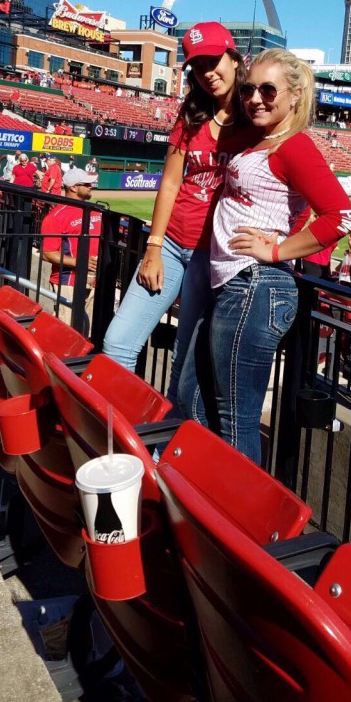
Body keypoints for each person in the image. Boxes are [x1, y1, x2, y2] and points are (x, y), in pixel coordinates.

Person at [203, 49, 351, 463]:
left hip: (254, 284)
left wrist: (275, 249)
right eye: (249, 89)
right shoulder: (263, 140)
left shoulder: (294, 145)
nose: (255, 98)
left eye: (268, 90)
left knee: (235, 419)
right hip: (239, 284)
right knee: (218, 408)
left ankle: (238, 504)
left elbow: (341, 217)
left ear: (294, 95)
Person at [102, 22, 252, 412]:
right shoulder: (193, 113)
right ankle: (121, 433)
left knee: (183, 362)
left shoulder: (255, 117)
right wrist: (152, 248)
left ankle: (165, 441)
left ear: (234, 58)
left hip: (213, 255)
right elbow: (170, 183)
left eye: (214, 61)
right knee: (118, 342)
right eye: (198, 66)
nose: (207, 73)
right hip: (170, 245)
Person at [41, 168, 102, 332]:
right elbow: (47, 253)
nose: (91, 186)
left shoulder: (95, 210)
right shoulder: (55, 216)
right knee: (67, 331)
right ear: (73, 187)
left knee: (87, 332)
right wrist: (80, 262)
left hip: (93, 279)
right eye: (86, 184)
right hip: (68, 282)